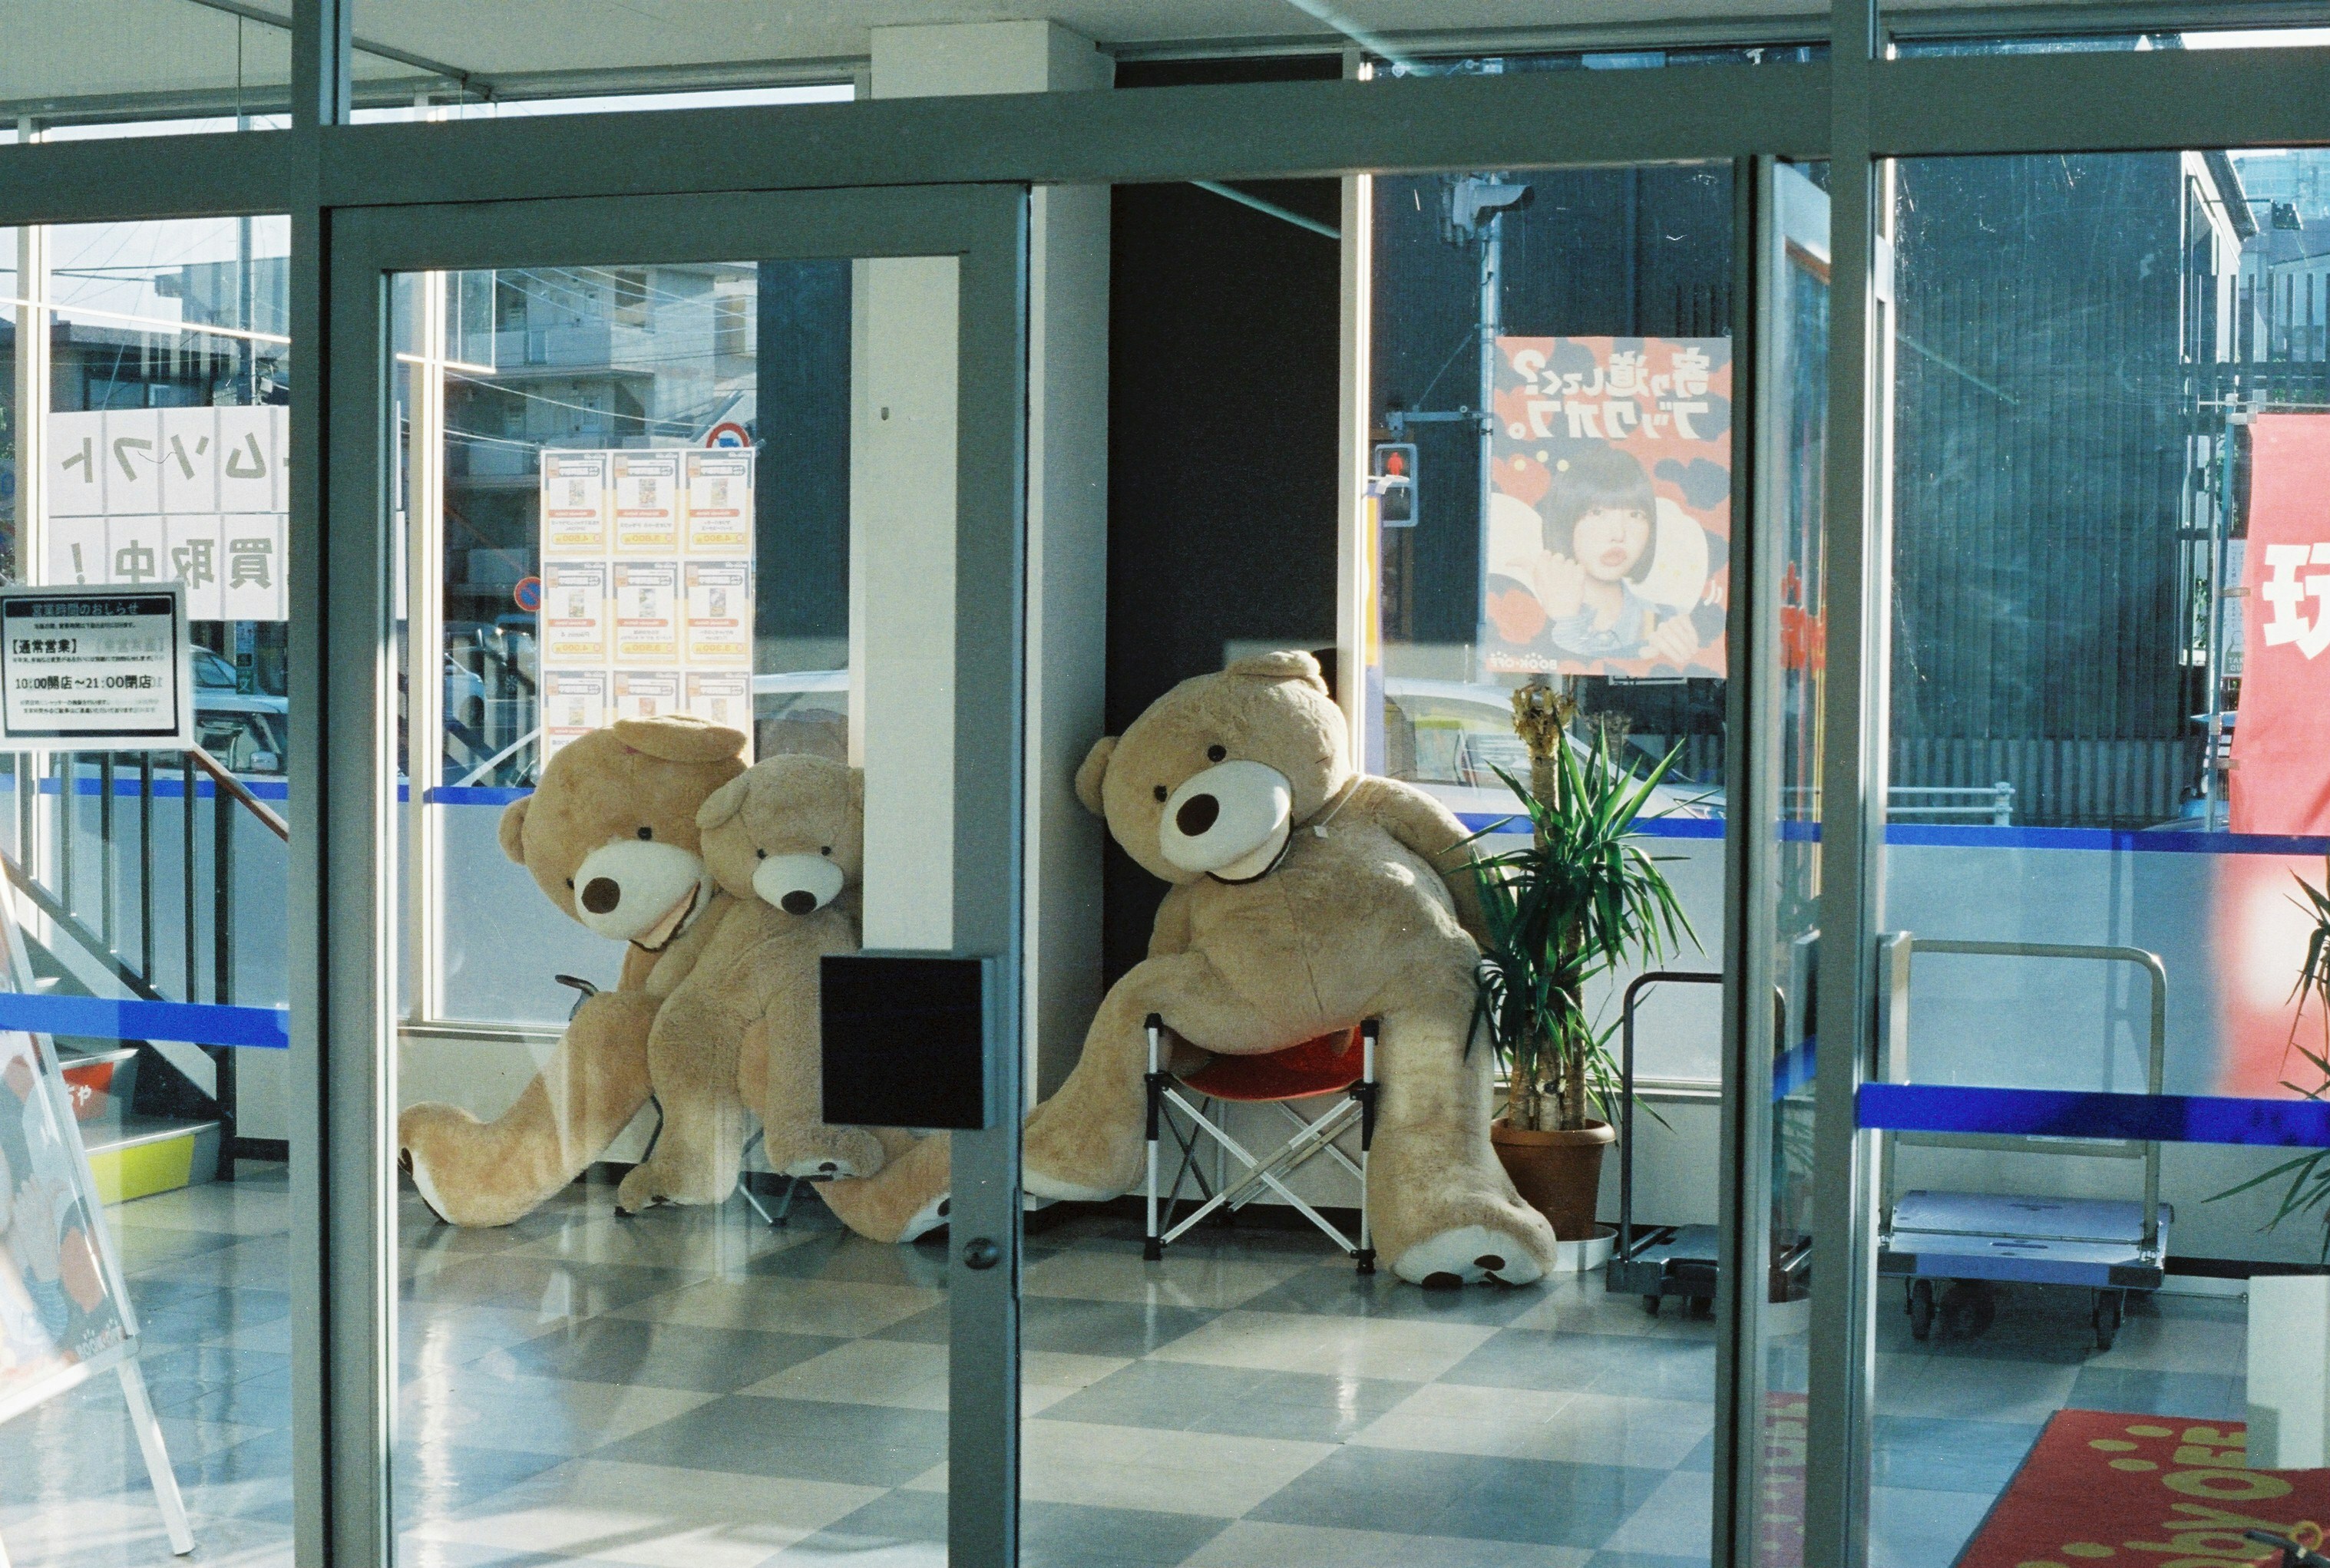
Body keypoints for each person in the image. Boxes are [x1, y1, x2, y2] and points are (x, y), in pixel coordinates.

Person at [1521, 446, 1700, 668]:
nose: (1619, 534)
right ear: (1564, 520)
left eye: (1635, 514)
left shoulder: (1673, 623)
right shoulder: (1526, 617)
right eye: (1597, 513)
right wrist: (1566, 621)